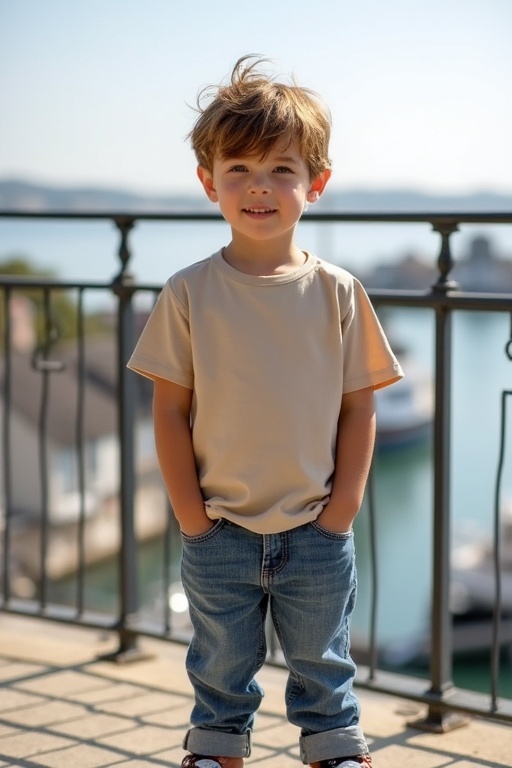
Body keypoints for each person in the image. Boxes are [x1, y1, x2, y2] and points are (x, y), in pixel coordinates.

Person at [128, 55, 403, 768]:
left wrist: (341, 511)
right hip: (218, 530)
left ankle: (335, 749)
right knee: (219, 663)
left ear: (316, 183)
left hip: (316, 529)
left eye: (281, 168)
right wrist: (193, 518)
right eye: (240, 169)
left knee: (323, 659)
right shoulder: (188, 293)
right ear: (208, 183)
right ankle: (217, 750)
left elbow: (359, 410)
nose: (260, 186)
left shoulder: (339, 292)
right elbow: (168, 412)